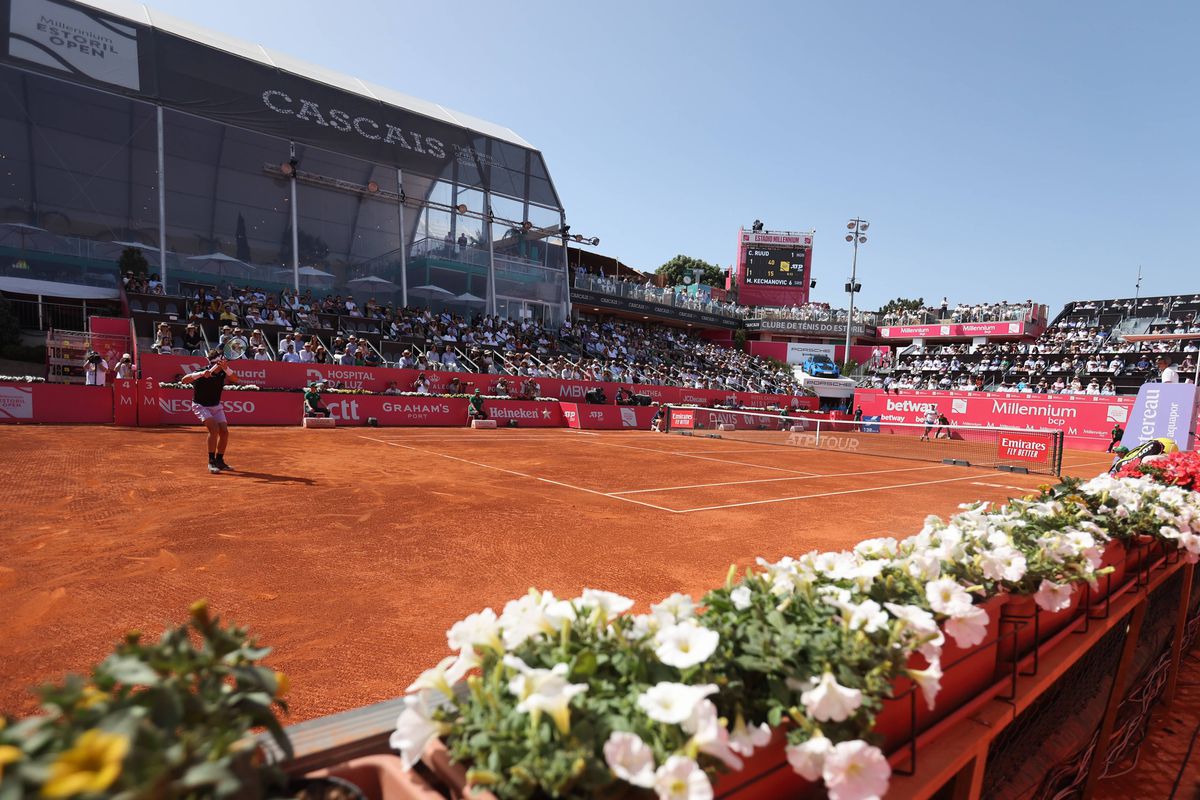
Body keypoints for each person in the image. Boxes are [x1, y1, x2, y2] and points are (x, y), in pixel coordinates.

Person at [179, 349, 240, 474]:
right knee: (214, 429)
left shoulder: (223, 372)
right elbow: (184, 380)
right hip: (200, 405)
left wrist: (226, 368)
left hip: (216, 406)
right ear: (215, 362)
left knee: (224, 432)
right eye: (221, 360)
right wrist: (201, 374)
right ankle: (211, 462)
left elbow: (235, 379)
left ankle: (220, 461)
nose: (224, 361)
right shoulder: (202, 370)